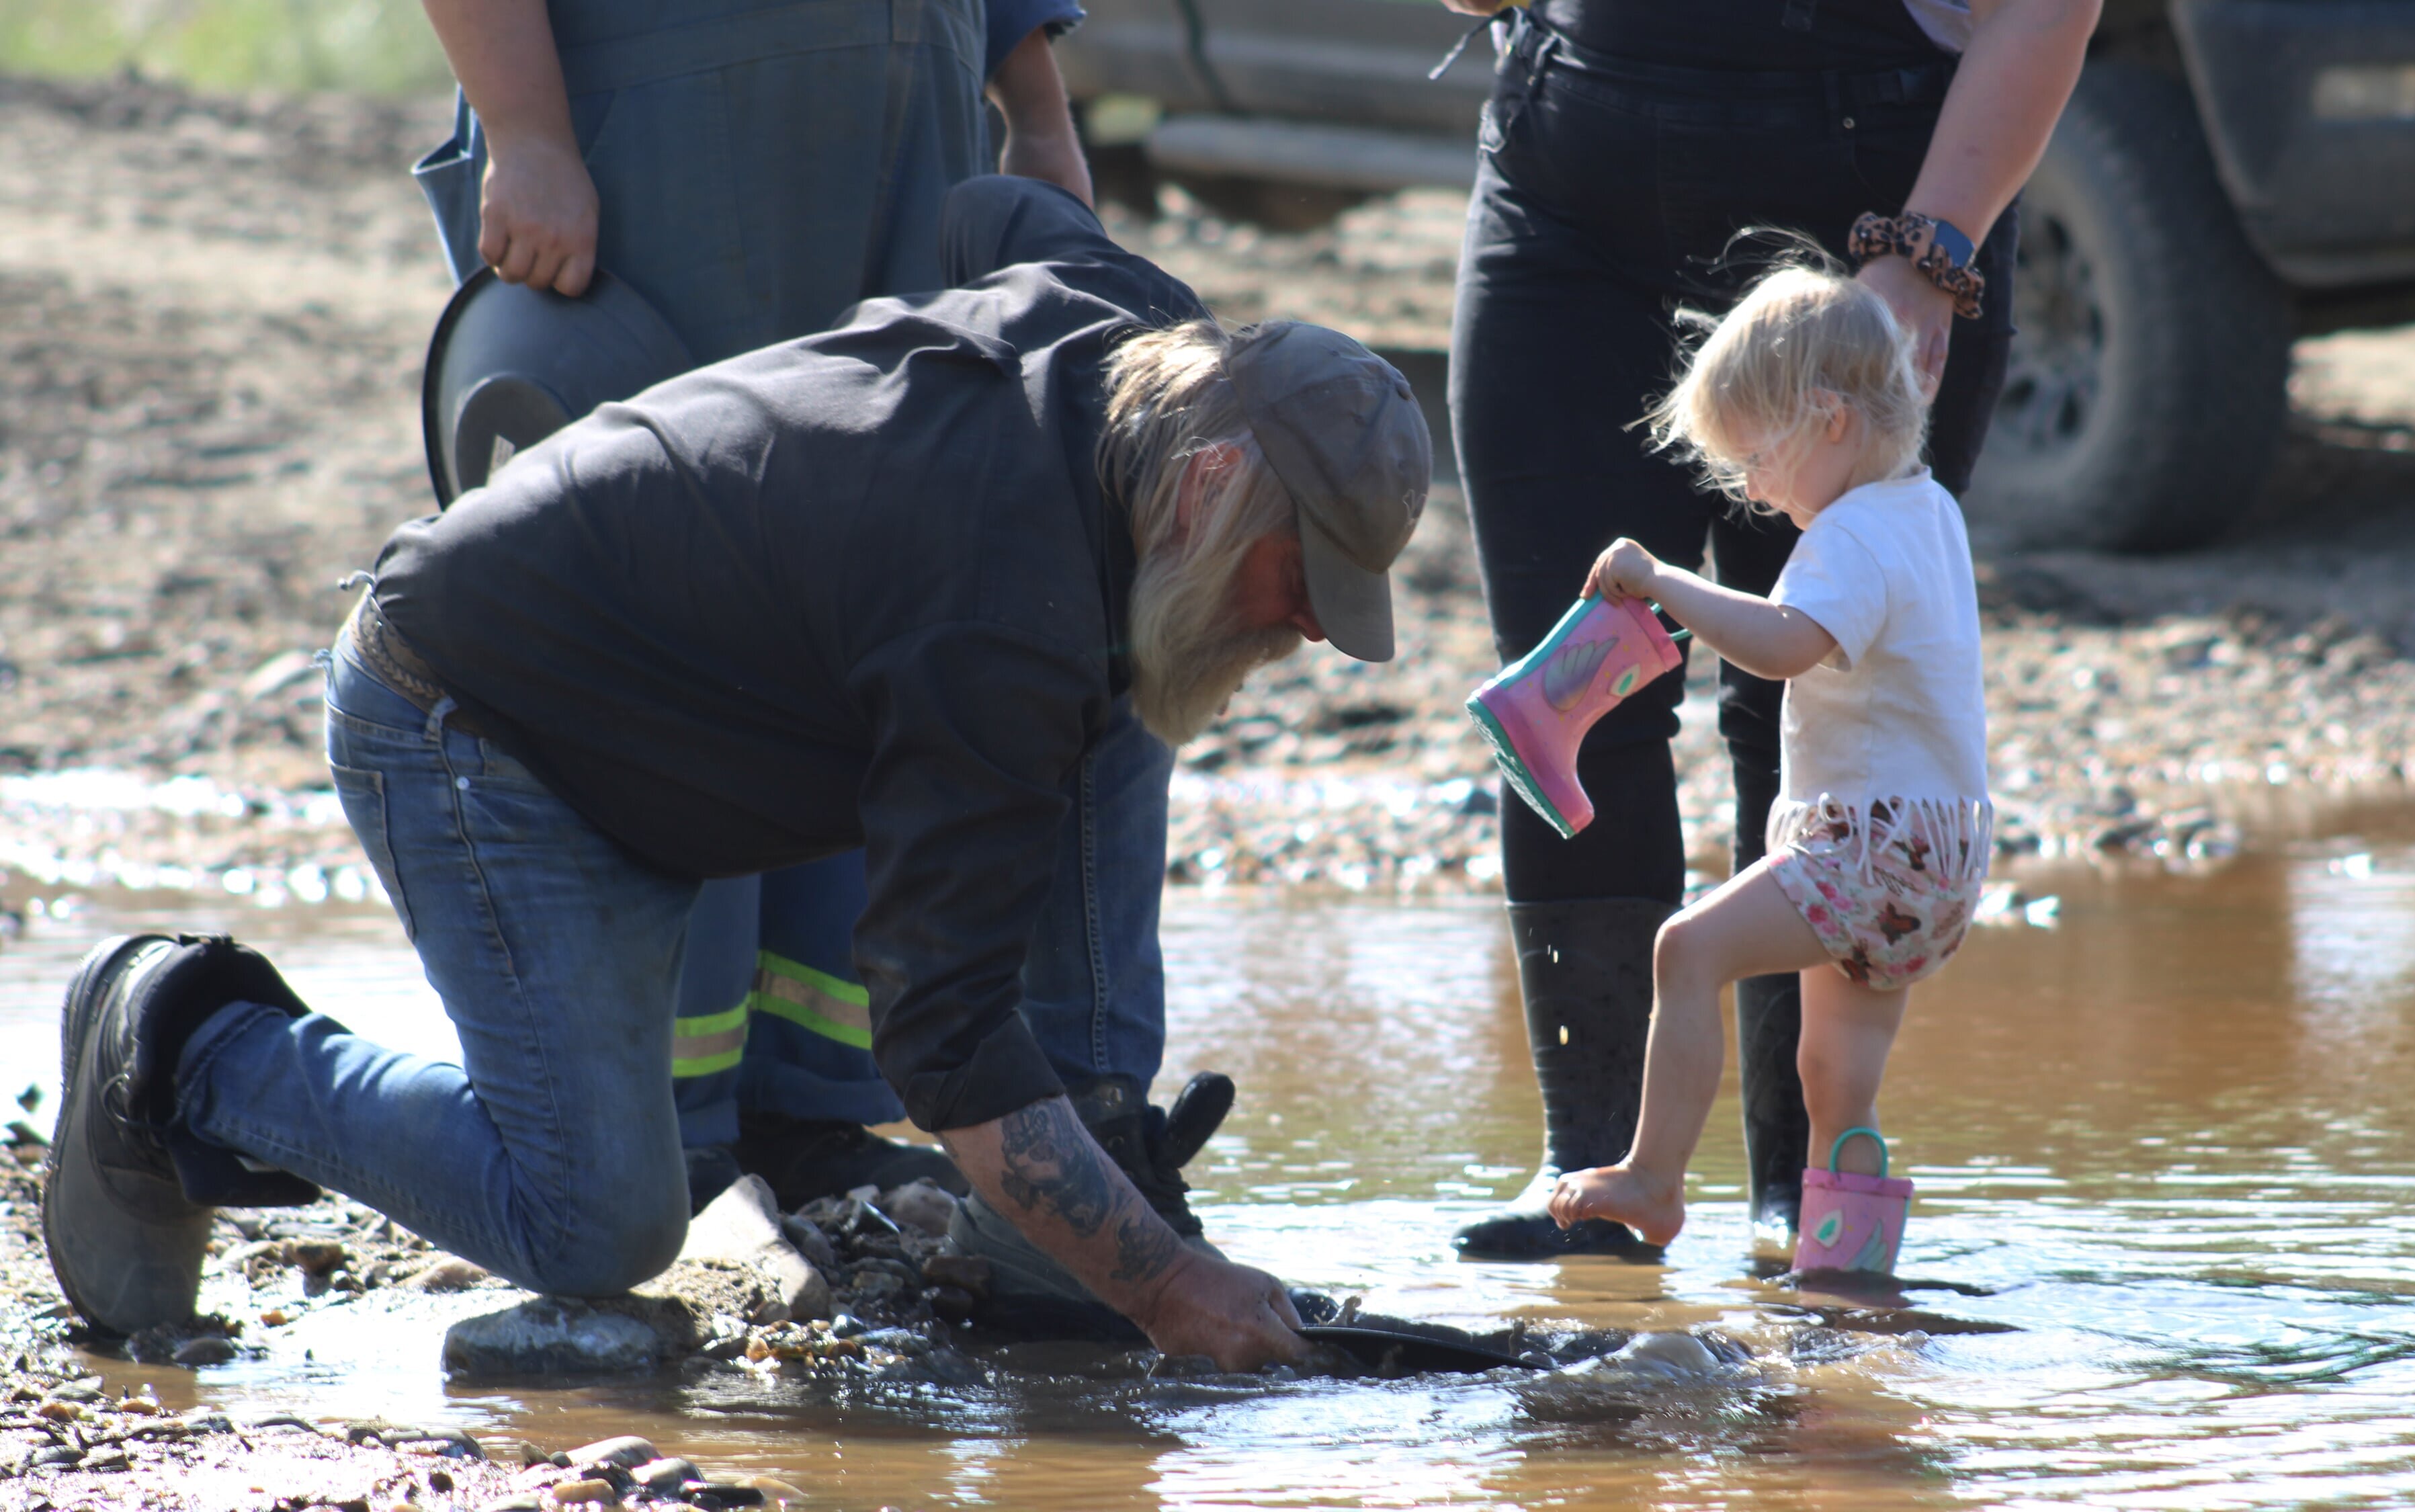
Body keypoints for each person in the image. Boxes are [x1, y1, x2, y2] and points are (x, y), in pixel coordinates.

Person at [44, 176, 1434, 1372]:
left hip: (637, 742)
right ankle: (179, 1041)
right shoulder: (994, 622)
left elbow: (987, 210)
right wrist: (1165, 1288)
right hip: (473, 729)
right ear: (1209, 485)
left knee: (1137, 680)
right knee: (595, 1229)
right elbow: (939, 1036)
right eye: (1297, 576)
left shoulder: (1126, 327)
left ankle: (1083, 1169)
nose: (1309, 627)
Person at [411, 0, 1182, 1218]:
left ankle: (809, 1108)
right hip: (656, 109)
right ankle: (671, 1122)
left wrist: (1036, 112)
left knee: (872, 583)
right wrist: (526, 128)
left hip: (913, 101)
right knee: (685, 596)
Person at [1437, 0, 2094, 1258]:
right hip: (1571, 180)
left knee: (1788, 725)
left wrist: (1932, 247)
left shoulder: (1865, 466)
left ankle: (1781, 1205)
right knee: (1564, 694)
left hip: (1878, 209)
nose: (1740, 487)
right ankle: (1604, 1173)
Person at [1545, 257, 1990, 1266]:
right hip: (1938, 859)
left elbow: (1788, 642)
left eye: (1756, 458)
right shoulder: (1931, 511)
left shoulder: (1850, 534)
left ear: (1831, 421)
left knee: (1687, 951)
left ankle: (1654, 1180)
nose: (1750, 488)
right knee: (1837, 1076)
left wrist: (1663, 581)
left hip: (1868, 846)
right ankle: (1847, 1276)